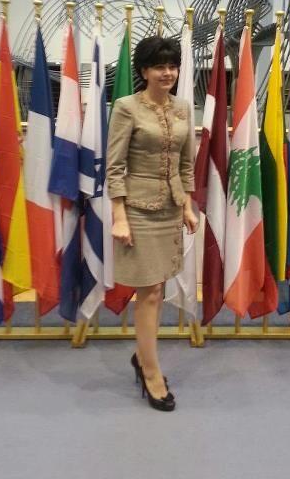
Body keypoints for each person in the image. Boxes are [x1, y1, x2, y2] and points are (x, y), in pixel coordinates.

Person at [106, 35, 198, 412]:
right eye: (159, 66)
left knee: (158, 290)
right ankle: (150, 371)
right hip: (138, 210)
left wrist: (188, 206)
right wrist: (119, 217)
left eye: (172, 66)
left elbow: (186, 164)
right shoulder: (126, 107)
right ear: (144, 71)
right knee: (150, 293)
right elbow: (114, 167)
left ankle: (142, 356)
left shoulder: (183, 109)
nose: (168, 73)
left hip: (170, 210)